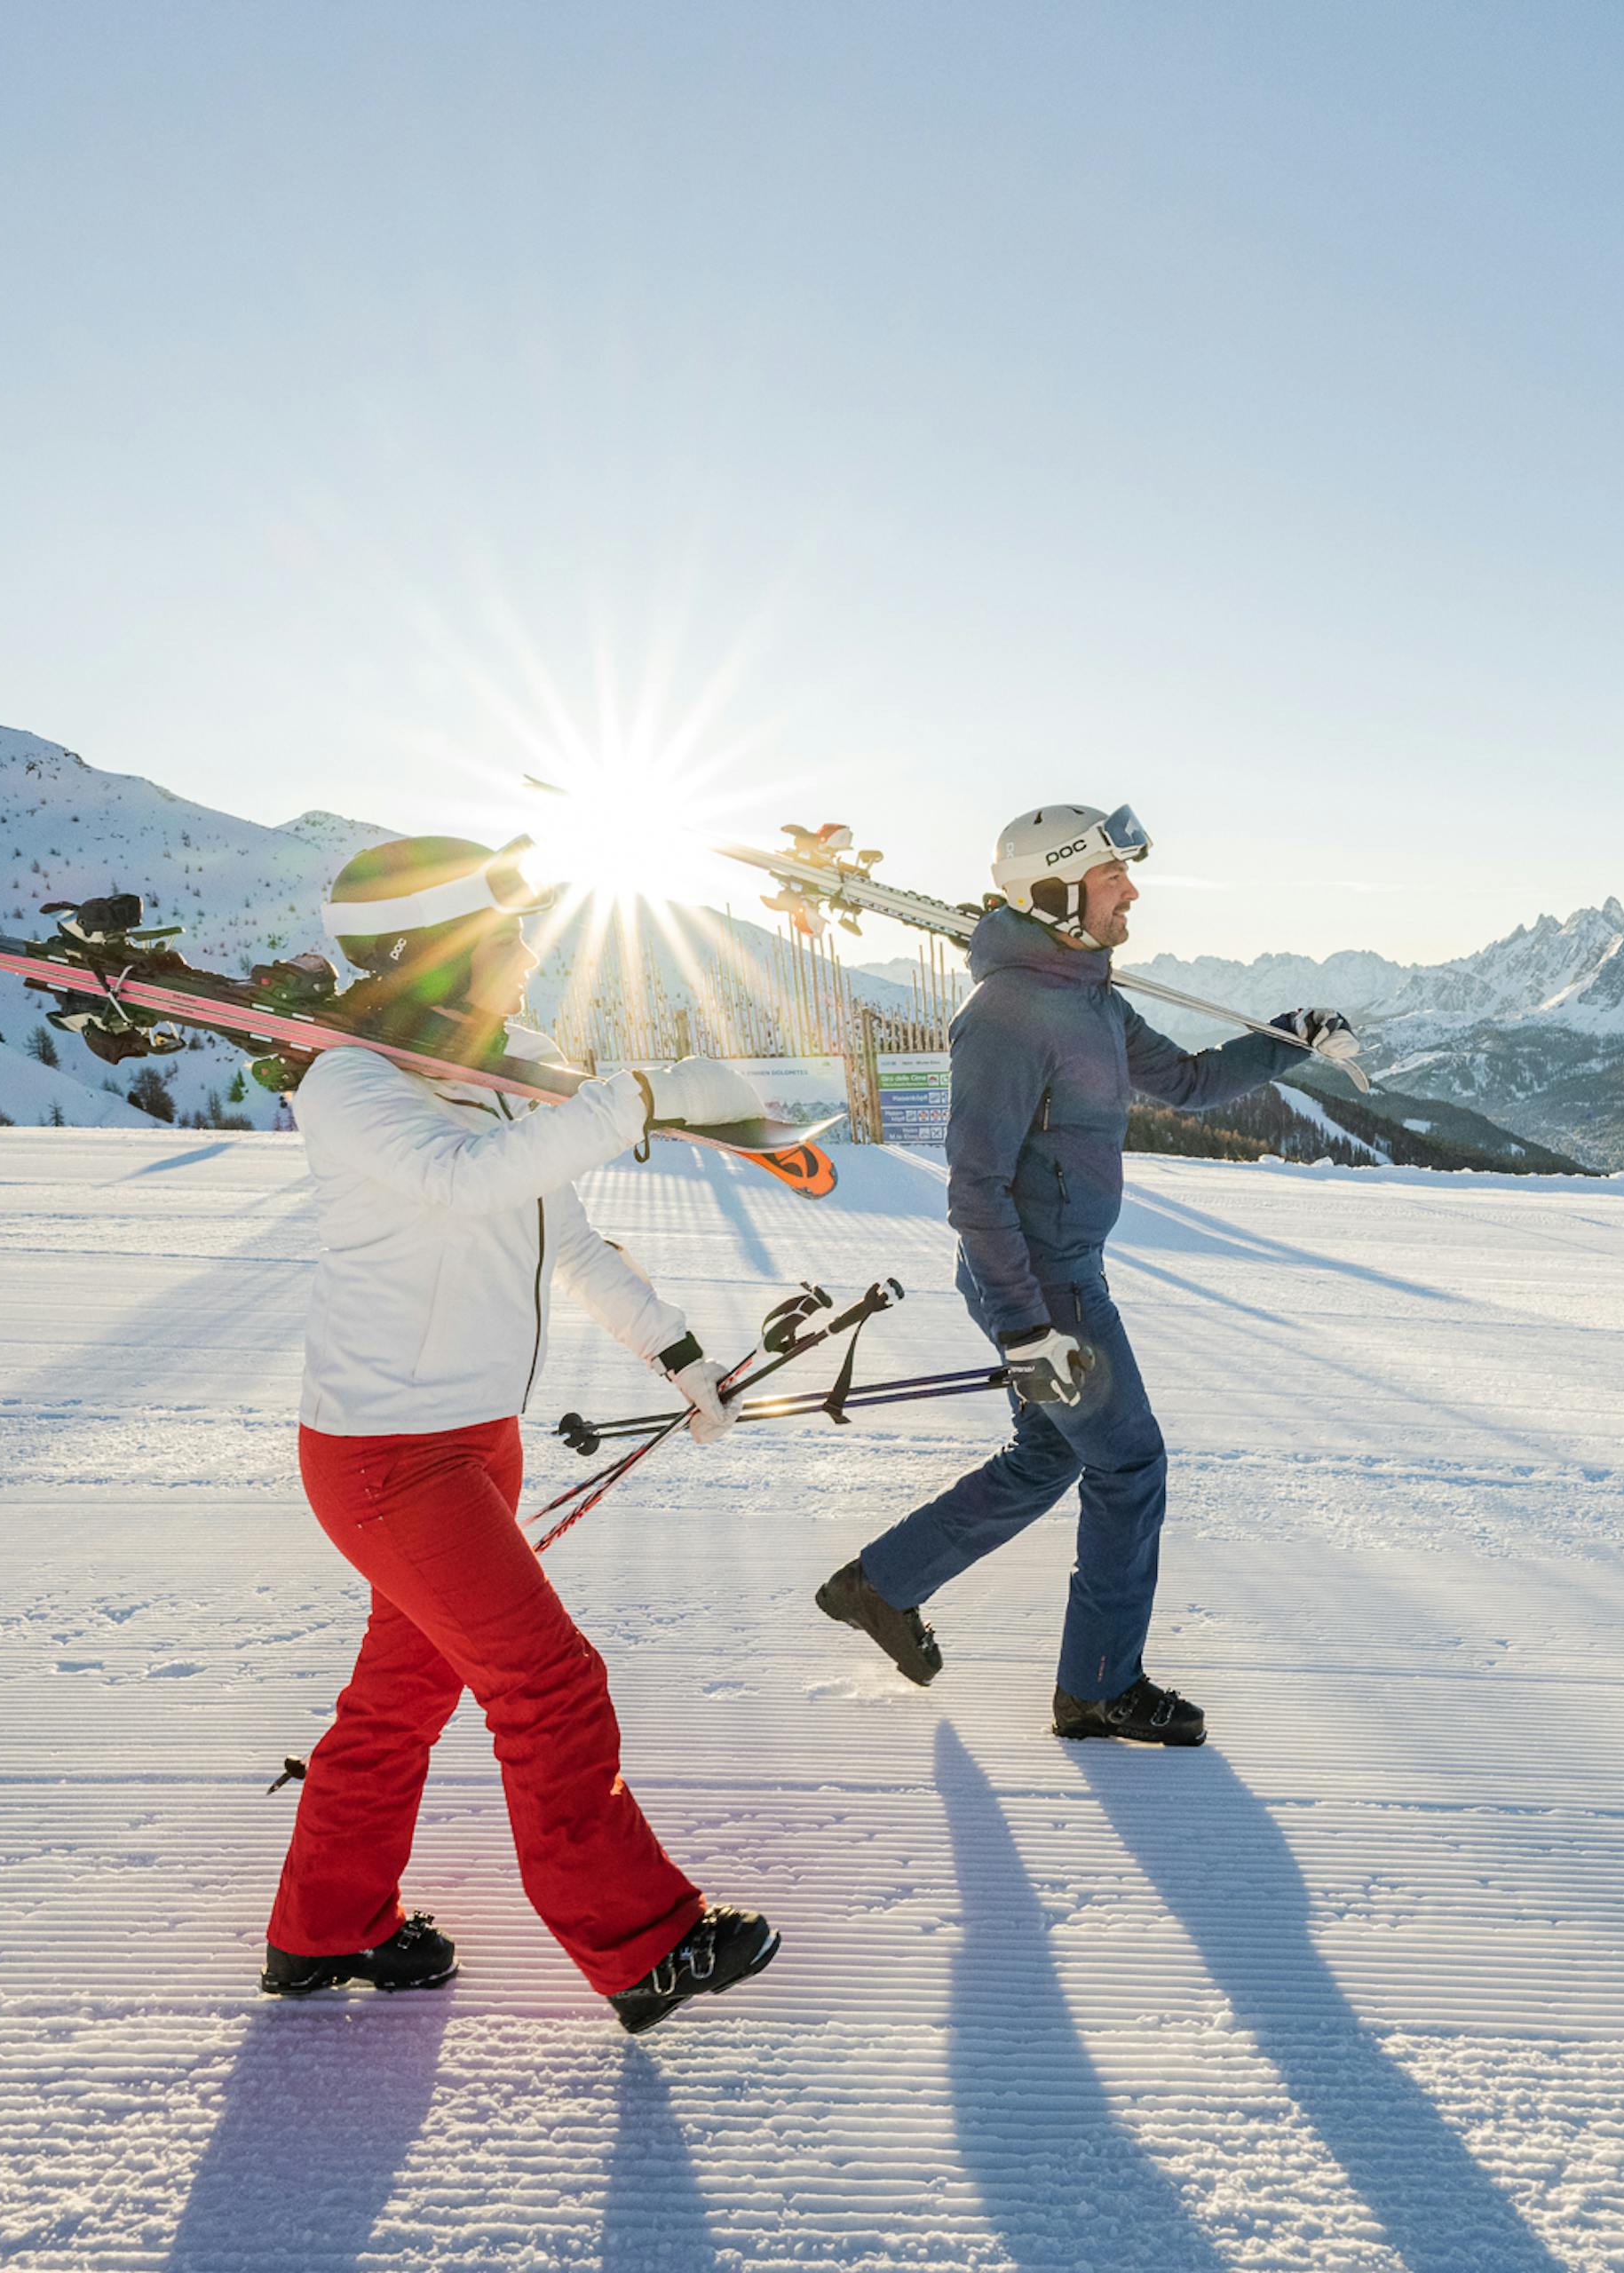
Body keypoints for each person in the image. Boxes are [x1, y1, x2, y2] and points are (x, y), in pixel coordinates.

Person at [260, 833, 780, 2035]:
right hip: (387, 1459)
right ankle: (642, 1945)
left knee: (401, 1700)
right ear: (431, 957)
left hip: (476, 1446)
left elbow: (565, 1235)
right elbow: (461, 1183)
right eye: (500, 943)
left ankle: (324, 1930)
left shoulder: (500, 1069)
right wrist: (634, 1100)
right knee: (548, 1683)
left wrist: (678, 1350)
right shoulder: (350, 1084)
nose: (524, 962)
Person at [813, 804, 1355, 1746]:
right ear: (1061, 890)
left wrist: (1285, 1038)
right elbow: (975, 1190)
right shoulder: (1007, 1019)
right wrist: (1029, 1330)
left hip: (1061, 1271)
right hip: (1040, 1281)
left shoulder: (1090, 995)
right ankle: (1099, 1686)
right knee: (1130, 1463)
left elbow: (1184, 1081)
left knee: (1053, 1452)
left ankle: (882, 1584)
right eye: (1115, 879)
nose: (1133, 892)